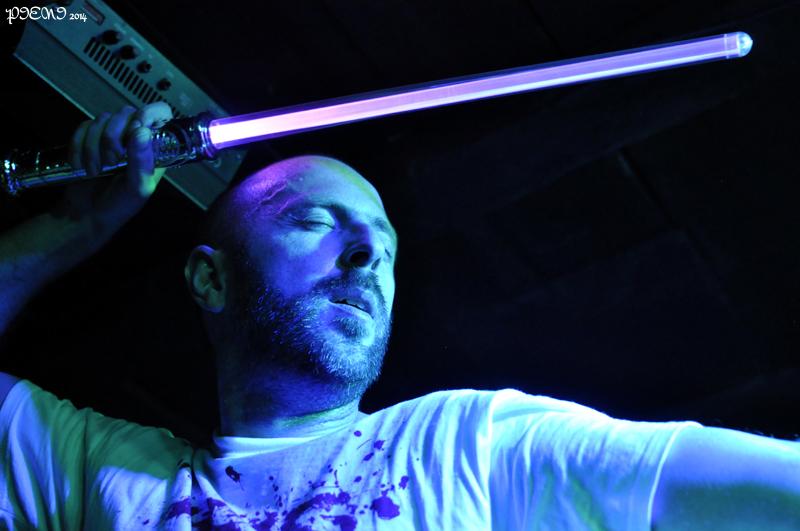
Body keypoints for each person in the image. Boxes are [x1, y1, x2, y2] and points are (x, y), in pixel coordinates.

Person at [0, 103, 797, 530]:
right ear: (211, 278)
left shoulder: (469, 442)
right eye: (313, 221)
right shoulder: (100, 474)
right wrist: (71, 227)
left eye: (382, 244)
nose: (366, 255)